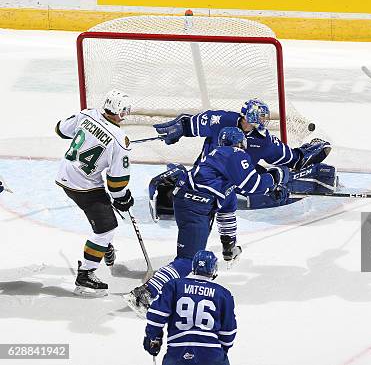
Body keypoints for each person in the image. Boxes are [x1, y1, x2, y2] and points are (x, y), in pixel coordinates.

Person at [125, 127, 288, 315]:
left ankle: (166, 290)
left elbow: (227, 213)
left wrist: (229, 248)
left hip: (192, 204)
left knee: (191, 257)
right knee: (187, 261)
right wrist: (276, 177)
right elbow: (252, 185)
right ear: (240, 143)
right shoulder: (233, 153)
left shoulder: (223, 175)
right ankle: (144, 293)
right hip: (195, 206)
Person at [149, 99, 335, 211]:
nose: (264, 120)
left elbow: (292, 158)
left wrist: (304, 155)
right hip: (208, 174)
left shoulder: (263, 140)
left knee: (267, 187)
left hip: (239, 178)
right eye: (261, 116)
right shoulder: (221, 120)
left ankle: (306, 179)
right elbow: (189, 124)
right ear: (250, 116)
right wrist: (179, 129)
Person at [55, 89, 135, 296]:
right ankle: (86, 276)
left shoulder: (88, 114)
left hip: (64, 175)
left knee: (103, 221)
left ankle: (102, 247)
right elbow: (116, 183)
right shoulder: (120, 140)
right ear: (122, 111)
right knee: (106, 228)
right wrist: (123, 199)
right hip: (84, 186)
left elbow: (60, 129)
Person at [143, 250, 236, 365]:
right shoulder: (223, 294)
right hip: (212, 355)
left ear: (194, 266)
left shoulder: (174, 285)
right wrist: (219, 352)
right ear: (214, 269)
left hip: (178, 353)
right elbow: (228, 333)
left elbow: (156, 316)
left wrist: (153, 339)